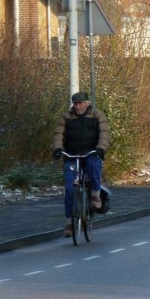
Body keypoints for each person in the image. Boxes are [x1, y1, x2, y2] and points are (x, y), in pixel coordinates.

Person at [52, 91, 110, 237]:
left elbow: (104, 133)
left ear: (87, 103)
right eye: (76, 104)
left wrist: (101, 148)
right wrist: (58, 148)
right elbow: (59, 134)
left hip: (91, 152)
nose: (78, 107)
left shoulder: (97, 115)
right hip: (72, 155)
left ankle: (95, 195)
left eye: (80, 103)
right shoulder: (66, 118)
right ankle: (69, 223)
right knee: (70, 189)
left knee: (93, 166)